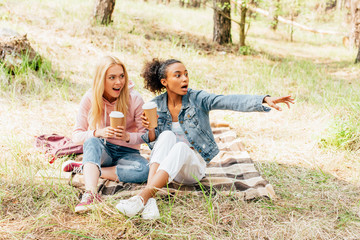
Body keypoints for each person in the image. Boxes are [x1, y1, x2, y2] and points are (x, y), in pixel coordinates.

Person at [115, 58, 295, 220]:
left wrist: (262, 99)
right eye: (177, 75)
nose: (184, 79)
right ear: (165, 82)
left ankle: (141, 197)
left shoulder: (198, 99)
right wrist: (151, 129)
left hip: (193, 170)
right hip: (168, 170)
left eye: (186, 74)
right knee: (167, 135)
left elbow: (228, 100)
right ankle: (149, 200)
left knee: (181, 148)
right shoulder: (156, 104)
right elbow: (155, 145)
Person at [62, 55, 149, 213]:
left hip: (128, 152)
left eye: (122, 76)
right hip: (103, 150)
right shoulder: (90, 97)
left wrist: (128, 137)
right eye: (112, 77)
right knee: (91, 141)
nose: (119, 82)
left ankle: (87, 169)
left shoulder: (135, 99)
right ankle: (91, 194)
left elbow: (146, 136)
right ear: (102, 80)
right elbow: (76, 135)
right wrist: (98, 132)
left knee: (144, 170)